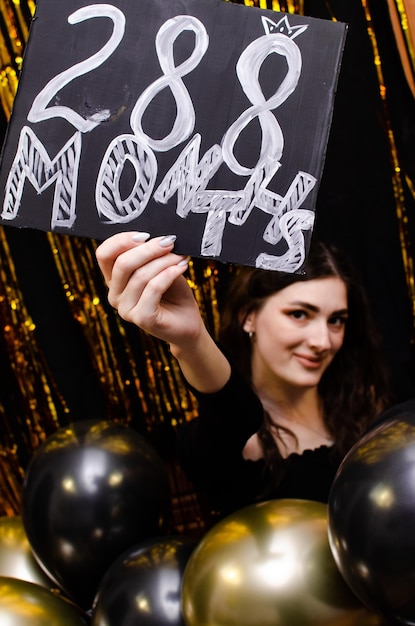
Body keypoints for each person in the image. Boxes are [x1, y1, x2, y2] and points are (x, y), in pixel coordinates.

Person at [95, 231, 392, 520]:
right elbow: (234, 415)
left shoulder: (371, 411)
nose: (322, 341)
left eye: (336, 320)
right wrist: (192, 339)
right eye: (299, 314)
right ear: (248, 315)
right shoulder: (223, 443)